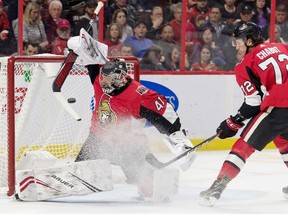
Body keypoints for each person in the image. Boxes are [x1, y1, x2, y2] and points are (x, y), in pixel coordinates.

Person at [69, 38, 197, 199]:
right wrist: (79, 44)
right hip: (96, 138)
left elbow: (164, 111)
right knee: (76, 175)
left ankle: (158, 178)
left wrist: (178, 137)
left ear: (120, 78)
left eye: (108, 80)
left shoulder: (137, 94)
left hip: (124, 144)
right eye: (103, 78)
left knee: (147, 184)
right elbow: (89, 54)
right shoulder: (98, 79)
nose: (104, 82)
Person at [199, 22, 288, 206]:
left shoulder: (245, 64)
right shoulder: (282, 47)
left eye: (238, 41)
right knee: (284, 140)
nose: (236, 45)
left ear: (249, 40)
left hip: (279, 107)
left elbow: (253, 103)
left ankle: (217, 188)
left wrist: (233, 122)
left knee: (243, 146)